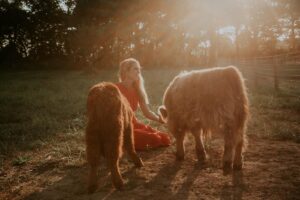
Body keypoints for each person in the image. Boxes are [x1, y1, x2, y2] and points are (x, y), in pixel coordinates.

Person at [115, 58, 171, 151]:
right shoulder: (115, 88)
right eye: (135, 69)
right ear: (126, 71)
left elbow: (147, 112)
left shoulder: (138, 90)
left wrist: (161, 120)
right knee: (154, 139)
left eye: (139, 69)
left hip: (133, 123)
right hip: (118, 126)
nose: (138, 72)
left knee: (163, 137)